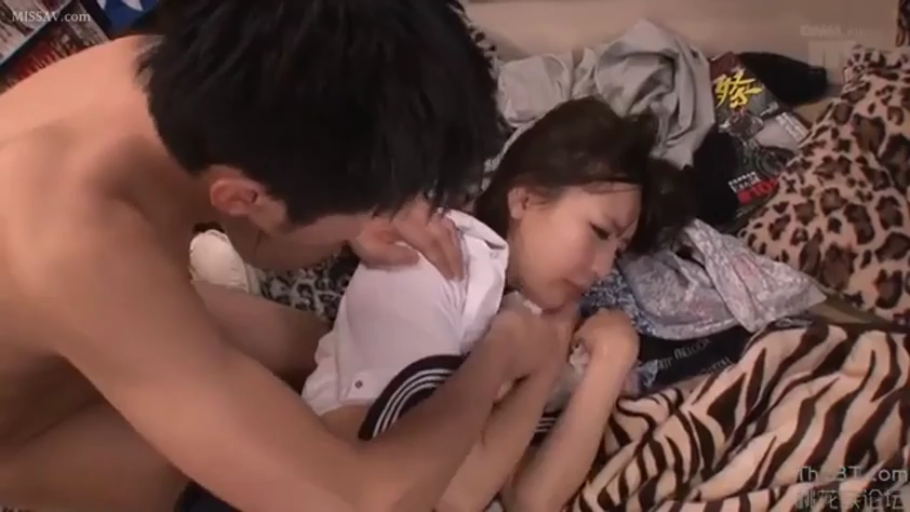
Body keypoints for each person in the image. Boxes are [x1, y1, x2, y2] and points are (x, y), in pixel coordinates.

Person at [0, 1, 568, 512]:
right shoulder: (76, 242)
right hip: (24, 431)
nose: (384, 217)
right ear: (243, 197)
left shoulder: (159, 72)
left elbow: (258, 241)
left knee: (318, 346)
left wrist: (351, 218)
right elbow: (365, 502)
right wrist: (498, 354)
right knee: (181, 468)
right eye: (373, 208)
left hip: (62, 319)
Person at [187, 98, 690, 512]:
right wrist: (524, 353)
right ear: (525, 200)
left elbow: (533, 498)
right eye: (599, 232)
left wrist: (610, 360)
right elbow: (448, 495)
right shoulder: (437, 263)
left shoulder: (537, 315)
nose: (603, 268)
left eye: (618, 250)